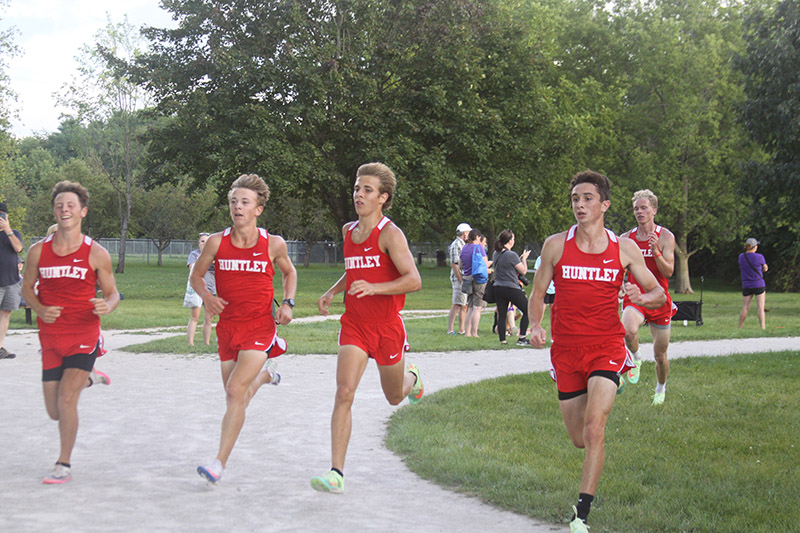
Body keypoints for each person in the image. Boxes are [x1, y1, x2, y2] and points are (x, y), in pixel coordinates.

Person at [527, 170, 665, 532]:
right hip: (567, 351)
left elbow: (658, 293)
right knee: (577, 439)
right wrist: (535, 325)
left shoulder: (623, 248)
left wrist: (641, 296)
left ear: (604, 204)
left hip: (606, 345)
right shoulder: (556, 245)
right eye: (575, 198)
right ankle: (613, 374)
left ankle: (581, 514)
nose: (580, 204)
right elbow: (538, 293)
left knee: (594, 430)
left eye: (588, 198)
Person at [311, 162, 423, 494]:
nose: (359, 194)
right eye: (358, 188)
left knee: (393, 397)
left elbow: (413, 280)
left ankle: (412, 378)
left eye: (367, 190)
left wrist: (376, 288)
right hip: (355, 325)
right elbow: (354, 269)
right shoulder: (348, 231)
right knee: (344, 392)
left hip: (387, 327)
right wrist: (333, 290)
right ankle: (336, 473)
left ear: (383, 198)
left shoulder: (390, 234)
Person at [190, 173, 297, 484]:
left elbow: (289, 273)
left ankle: (218, 463)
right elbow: (196, 277)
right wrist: (207, 298)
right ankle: (266, 375)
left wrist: (288, 303)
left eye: (244, 202)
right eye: (233, 201)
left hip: (259, 328)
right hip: (228, 329)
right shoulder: (216, 242)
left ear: (258, 209)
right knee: (237, 396)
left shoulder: (273, 244)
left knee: (235, 391)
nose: (237, 207)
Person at [21, 181, 121, 484]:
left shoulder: (96, 253)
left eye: (70, 205)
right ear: (55, 211)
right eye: (59, 205)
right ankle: (91, 378)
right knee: (54, 412)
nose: (64, 209)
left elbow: (113, 293)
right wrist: (39, 309)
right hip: (50, 338)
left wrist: (107, 305)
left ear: (82, 212)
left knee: (67, 400)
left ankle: (63, 464)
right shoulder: (38, 251)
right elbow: (26, 289)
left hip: (83, 334)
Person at [619, 189, 676, 405]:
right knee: (628, 330)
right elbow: (620, 268)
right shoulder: (626, 238)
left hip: (659, 298)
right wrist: (620, 287)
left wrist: (656, 251)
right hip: (635, 295)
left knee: (660, 355)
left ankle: (660, 388)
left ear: (654, 210)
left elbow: (669, 272)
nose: (639, 212)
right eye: (636, 209)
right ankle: (635, 358)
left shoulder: (665, 237)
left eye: (644, 208)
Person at [492, 229, 531, 345]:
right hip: (511, 287)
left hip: (498, 287)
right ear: (509, 241)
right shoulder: (511, 254)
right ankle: (522, 337)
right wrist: (523, 259)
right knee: (528, 309)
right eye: (513, 239)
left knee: (502, 314)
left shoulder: (496, 254)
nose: (514, 241)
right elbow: (523, 270)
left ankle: (503, 340)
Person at [0, 202, 23, 359]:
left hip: (11, 281)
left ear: (7, 216)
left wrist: (7, 230)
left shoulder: (13, 233)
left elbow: (18, 248)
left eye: (2, 215)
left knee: (5, 314)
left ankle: (0, 347)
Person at [184, 232, 215, 346]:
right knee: (195, 316)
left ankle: (206, 343)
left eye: (207, 242)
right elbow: (192, 267)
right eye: (202, 241)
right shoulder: (194, 254)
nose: (205, 244)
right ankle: (190, 343)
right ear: (198, 244)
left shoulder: (214, 255)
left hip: (211, 289)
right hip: (197, 289)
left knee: (209, 318)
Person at [460, 229, 489, 337]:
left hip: (467, 278)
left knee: (470, 306)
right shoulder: (479, 247)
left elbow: (461, 265)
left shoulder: (464, 248)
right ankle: (474, 332)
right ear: (477, 237)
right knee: (477, 307)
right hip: (478, 278)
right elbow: (485, 264)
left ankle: (467, 332)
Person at [447, 223, 471, 335]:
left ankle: (462, 329)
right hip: (458, 278)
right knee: (457, 304)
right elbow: (454, 264)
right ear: (464, 233)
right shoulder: (456, 245)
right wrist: (460, 279)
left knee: (464, 304)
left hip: (464, 277)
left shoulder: (463, 245)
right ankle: (450, 329)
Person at [738, 237, 768, 330]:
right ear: (754, 247)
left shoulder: (741, 257)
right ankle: (762, 327)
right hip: (758, 284)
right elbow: (765, 268)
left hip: (746, 285)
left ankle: (740, 327)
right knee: (760, 307)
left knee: (745, 307)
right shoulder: (759, 257)